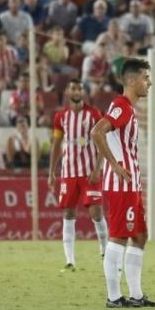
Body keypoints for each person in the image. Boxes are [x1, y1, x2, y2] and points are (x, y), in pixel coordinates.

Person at [91, 58, 155, 308]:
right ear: (131, 81)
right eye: (145, 77)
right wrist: (114, 164)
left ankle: (137, 295)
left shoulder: (128, 108)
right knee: (119, 236)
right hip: (121, 183)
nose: (149, 83)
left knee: (140, 236)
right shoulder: (121, 106)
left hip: (131, 183)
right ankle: (113, 297)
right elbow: (97, 132)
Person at [48, 79, 109, 272]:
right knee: (68, 213)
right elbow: (56, 145)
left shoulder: (94, 114)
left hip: (89, 174)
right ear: (67, 91)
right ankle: (70, 261)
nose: (77, 91)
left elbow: (102, 143)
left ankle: (105, 250)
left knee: (96, 213)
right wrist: (51, 172)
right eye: (73, 88)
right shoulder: (61, 117)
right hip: (68, 174)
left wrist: (98, 168)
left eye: (80, 88)